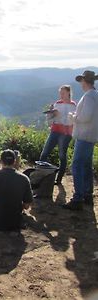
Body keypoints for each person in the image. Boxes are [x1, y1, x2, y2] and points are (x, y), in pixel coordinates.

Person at [63, 70, 98, 210]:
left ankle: (78, 198)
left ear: (85, 81)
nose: (81, 84)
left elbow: (86, 117)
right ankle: (87, 194)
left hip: (84, 136)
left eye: (81, 81)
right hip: (92, 135)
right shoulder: (96, 95)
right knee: (86, 165)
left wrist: (73, 117)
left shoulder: (89, 97)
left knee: (76, 165)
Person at [40, 85, 76, 184]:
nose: (61, 95)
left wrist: (61, 117)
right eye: (60, 93)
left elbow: (72, 121)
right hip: (55, 130)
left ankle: (58, 179)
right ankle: (42, 175)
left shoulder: (73, 105)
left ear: (69, 92)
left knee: (62, 155)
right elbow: (50, 120)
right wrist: (51, 114)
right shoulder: (57, 103)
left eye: (63, 93)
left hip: (66, 133)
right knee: (44, 153)